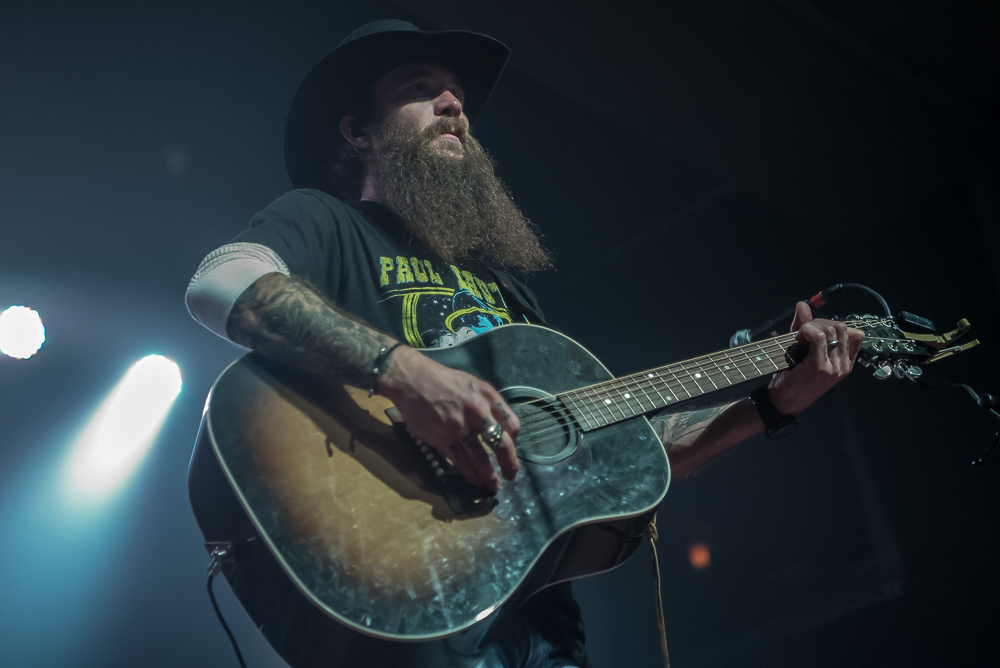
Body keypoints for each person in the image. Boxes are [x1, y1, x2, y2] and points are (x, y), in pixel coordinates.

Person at [185, 19, 864, 668]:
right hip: (406, 598)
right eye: (421, 88)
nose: (454, 102)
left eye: (457, 93)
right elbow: (220, 283)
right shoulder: (327, 222)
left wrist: (772, 406)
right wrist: (405, 374)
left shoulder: (507, 295)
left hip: (538, 631)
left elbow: (619, 449)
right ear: (358, 130)